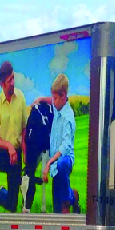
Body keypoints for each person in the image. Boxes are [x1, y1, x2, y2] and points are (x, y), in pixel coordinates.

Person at [0, 61, 27, 213]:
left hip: (16, 156)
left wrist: (25, 152)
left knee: (12, 206)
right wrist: (8, 146)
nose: (13, 82)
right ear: (2, 84)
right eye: (9, 80)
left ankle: (1, 194)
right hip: (4, 154)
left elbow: (24, 128)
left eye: (13, 78)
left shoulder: (21, 98)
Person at [41, 74, 80, 214]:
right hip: (55, 164)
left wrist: (48, 163)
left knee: (62, 163)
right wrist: (40, 100)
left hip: (65, 160)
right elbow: (51, 101)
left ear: (63, 96)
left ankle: (66, 204)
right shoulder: (58, 106)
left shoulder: (68, 118)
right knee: (56, 210)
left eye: (55, 98)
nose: (53, 101)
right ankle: (72, 196)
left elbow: (65, 147)